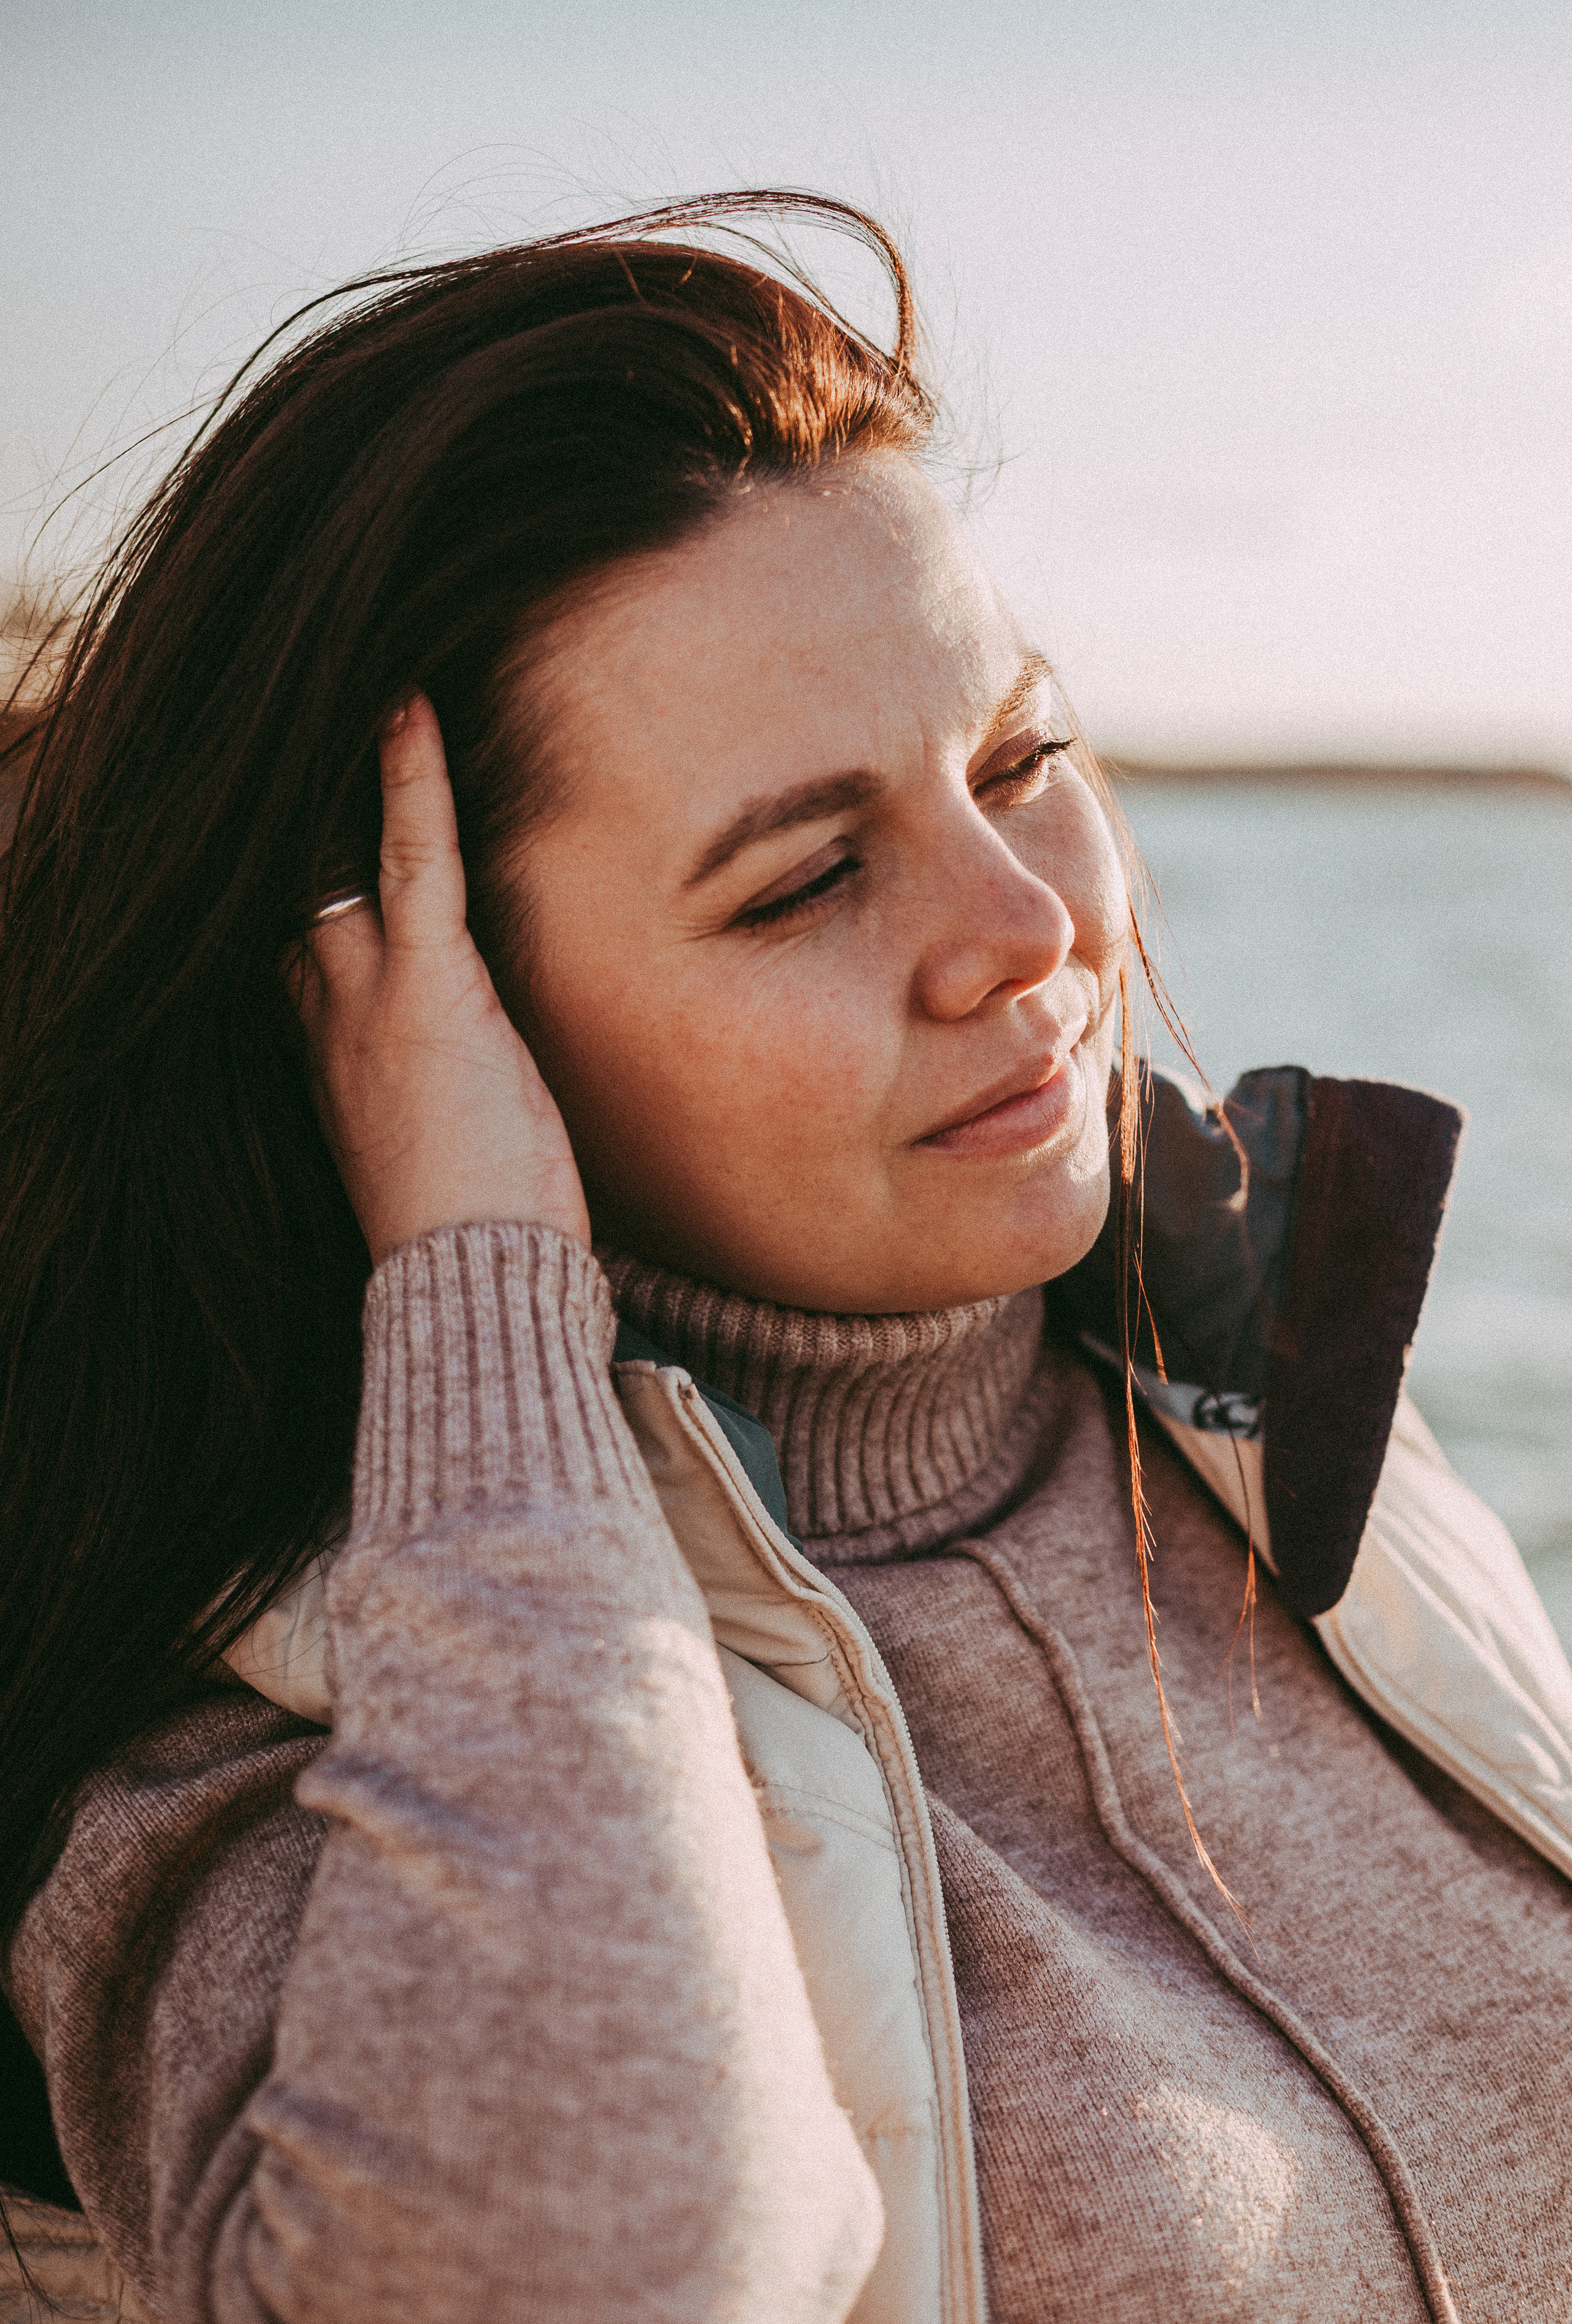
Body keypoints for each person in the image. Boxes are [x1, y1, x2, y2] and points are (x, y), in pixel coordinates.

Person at [2, 192, 1570, 2324]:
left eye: (1020, 759)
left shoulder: (1281, 1393)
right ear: (424, 1011)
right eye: (809, 877)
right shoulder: (308, 1750)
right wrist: (478, 1286)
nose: (1032, 926)